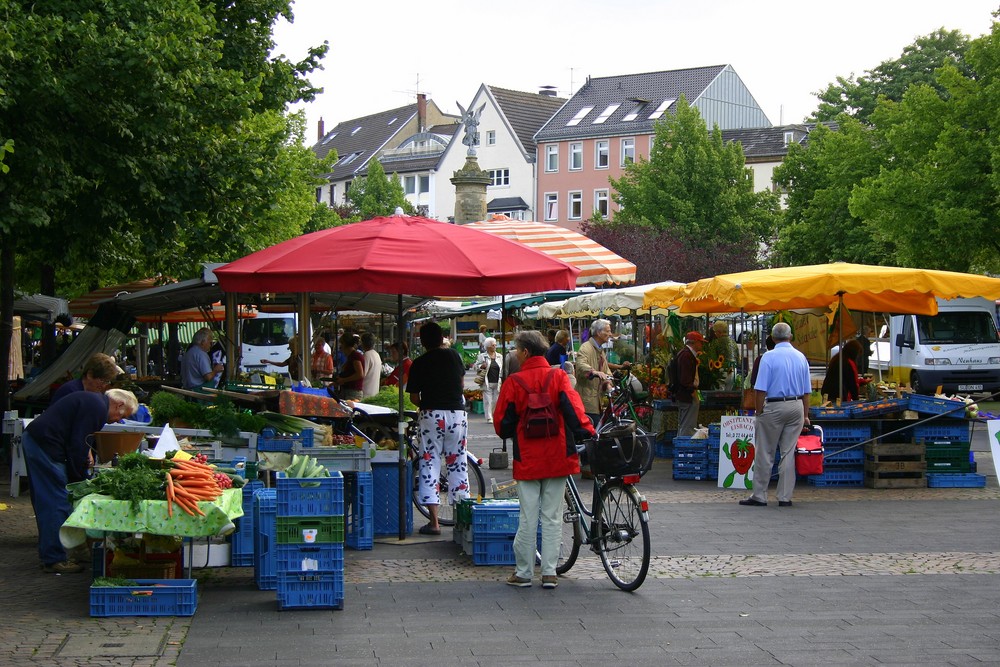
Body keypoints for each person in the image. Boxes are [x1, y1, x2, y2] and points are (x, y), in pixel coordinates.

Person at [493, 330, 595, 588]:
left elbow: (502, 426)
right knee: (552, 515)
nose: (516, 354)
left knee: (528, 516)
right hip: (557, 455)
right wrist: (589, 432)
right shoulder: (558, 376)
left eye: (517, 350)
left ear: (525, 352)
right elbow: (575, 412)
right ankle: (549, 572)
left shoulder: (514, 382)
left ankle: (524, 573)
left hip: (527, 458)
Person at [22, 388, 138, 573]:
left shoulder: (94, 402)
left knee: (50, 499)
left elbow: (79, 439)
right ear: (119, 404)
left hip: (39, 440)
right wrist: (81, 479)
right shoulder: (97, 408)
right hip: (45, 444)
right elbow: (77, 444)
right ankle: (54, 559)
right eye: (122, 416)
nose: (118, 420)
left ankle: (61, 552)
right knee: (56, 501)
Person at [407, 322, 470, 535]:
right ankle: (462, 522)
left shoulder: (419, 363)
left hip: (431, 415)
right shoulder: (454, 356)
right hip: (457, 414)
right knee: (458, 463)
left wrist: (428, 402)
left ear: (423, 341)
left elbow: (414, 397)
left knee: (429, 462)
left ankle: (434, 522)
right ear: (442, 337)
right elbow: (461, 384)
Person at [740, 322, 811, 508]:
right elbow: (807, 391)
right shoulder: (800, 357)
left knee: (765, 451)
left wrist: (758, 411)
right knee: (788, 452)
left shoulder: (768, 358)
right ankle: (785, 497)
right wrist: (805, 414)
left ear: (772, 338)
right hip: (796, 405)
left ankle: (760, 495)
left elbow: (760, 388)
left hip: (774, 406)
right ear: (791, 336)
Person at [575, 319, 630, 424]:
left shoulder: (600, 350)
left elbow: (606, 370)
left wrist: (608, 383)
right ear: (599, 333)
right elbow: (581, 366)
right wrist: (594, 372)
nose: (610, 334)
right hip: (587, 401)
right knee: (594, 431)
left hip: (597, 400)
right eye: (608, 331)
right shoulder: (585, 348)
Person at [50, 353, 122, 404]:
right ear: (90, 374)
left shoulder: (97, 394)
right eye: (102, 380)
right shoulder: (70, 391)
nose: (104, 386)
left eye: (107, 381)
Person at [674, 331, 705, 437]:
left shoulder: (686, 354)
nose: (702, 345)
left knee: (685, 424)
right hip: (687, 395)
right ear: (695, 342)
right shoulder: (686, 356)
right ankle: (684, 446)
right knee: (687, 425)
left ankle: (682, 443)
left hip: (686, 395)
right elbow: (685, 380)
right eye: (701, 342)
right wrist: (692, 391)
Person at [821, 339, 863, 403]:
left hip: (827, 392)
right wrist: (856, 400)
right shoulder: (848, 362)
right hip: (838, 395)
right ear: (854, 352)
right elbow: (852, 383)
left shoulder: (837, 358)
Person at [475, 337, 503, 423]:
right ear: (488, 347)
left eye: (495, 345)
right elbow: (475, 366)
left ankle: (495, 415)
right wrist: (481, 366)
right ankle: (489, 417)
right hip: (487, 381)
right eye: (493, 345)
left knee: (496, 400)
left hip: (497, 381)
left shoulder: (499, 356)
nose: (495, 346)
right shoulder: (482, 356)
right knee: (488, 401)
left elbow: (503, 368)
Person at [332, 333, 364, 400]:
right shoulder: (350, 356)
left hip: (352, 392)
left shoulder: (355, 356)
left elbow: (360, 374)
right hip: (347, 391)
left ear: (344, 344)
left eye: (341, 344)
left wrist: (344, 380)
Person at [360, 332, 382, 398]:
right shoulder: (376, 354)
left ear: (363, 343)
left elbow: (362, 374)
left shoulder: (366, 355)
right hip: (374, 391)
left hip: (366, 392)